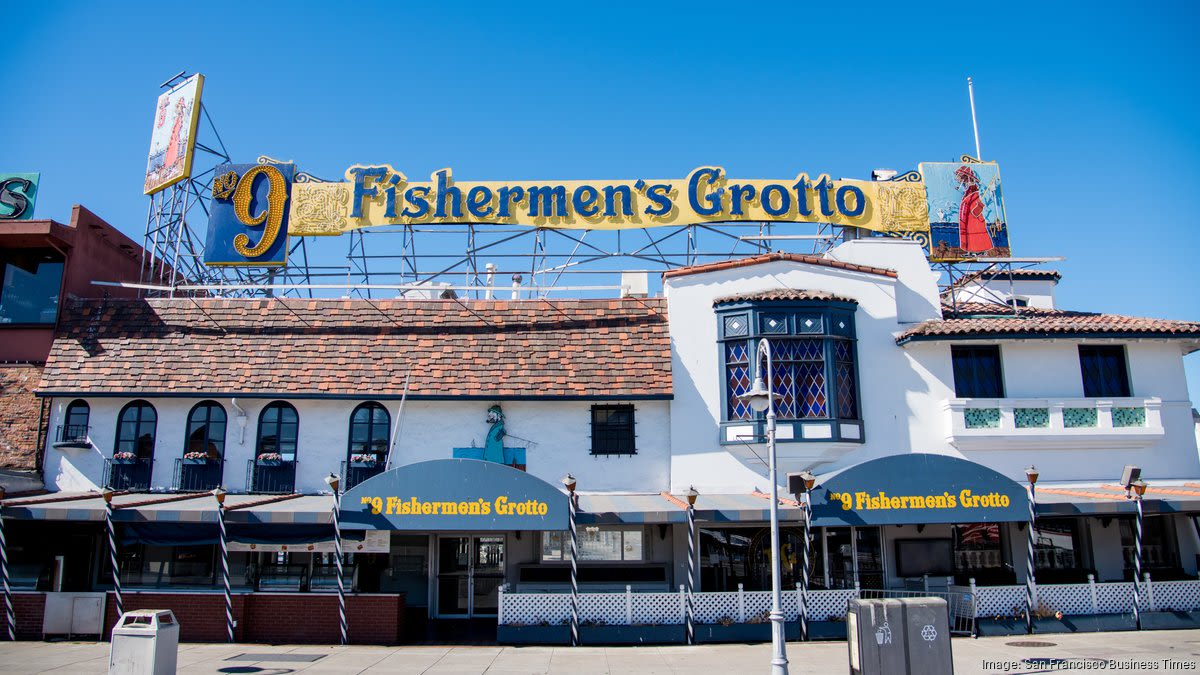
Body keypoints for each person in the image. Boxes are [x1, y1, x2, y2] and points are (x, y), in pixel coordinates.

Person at [955, 165, 993, 253]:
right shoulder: (968, 191)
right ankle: (969, 250)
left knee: (975, 231)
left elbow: (976, 202)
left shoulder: (974, 190)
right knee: (968, 232)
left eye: (961, 177)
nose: (959, 180)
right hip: (967, 216)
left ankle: (980, 249)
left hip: (973, 216)